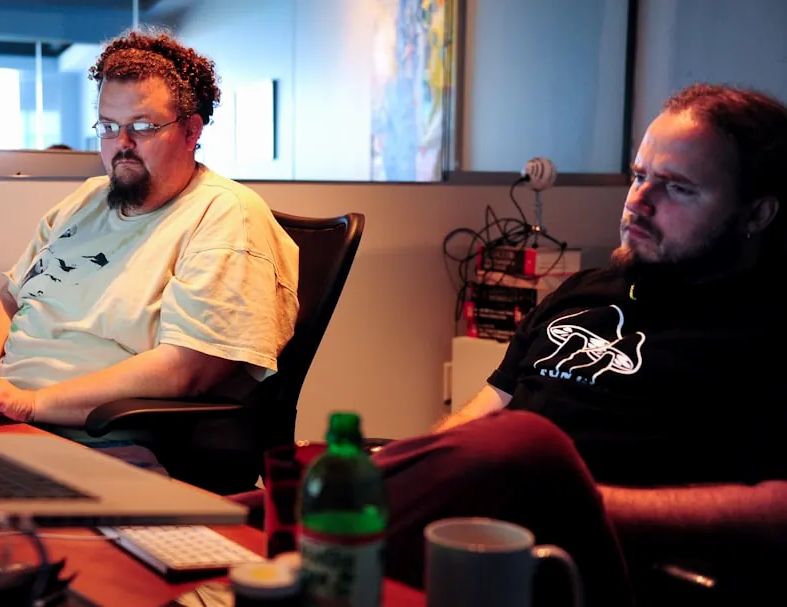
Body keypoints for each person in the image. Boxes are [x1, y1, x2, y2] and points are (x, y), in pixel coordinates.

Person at [235, 82, 787, 606]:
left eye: (678, 188)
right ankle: (212, 521)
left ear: (758, 213)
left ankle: (245, 526)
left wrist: (580, 502)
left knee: (523, 443)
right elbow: (479, 418)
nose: (639, 200)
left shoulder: (766, 324)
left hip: (609, 555)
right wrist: (409, 466)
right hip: (487, 533)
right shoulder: (582, 292)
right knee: (333, 474)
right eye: (639, 175)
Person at [0, 28, 300, 476]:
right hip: (7, 423)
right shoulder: (85, 201)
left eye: (143, 126)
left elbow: (186, 369)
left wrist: (32, 404)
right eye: (108, 127)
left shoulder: (226, 214)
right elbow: (12, 297)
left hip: (101, 444)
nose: (121, 143)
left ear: (191, 131)